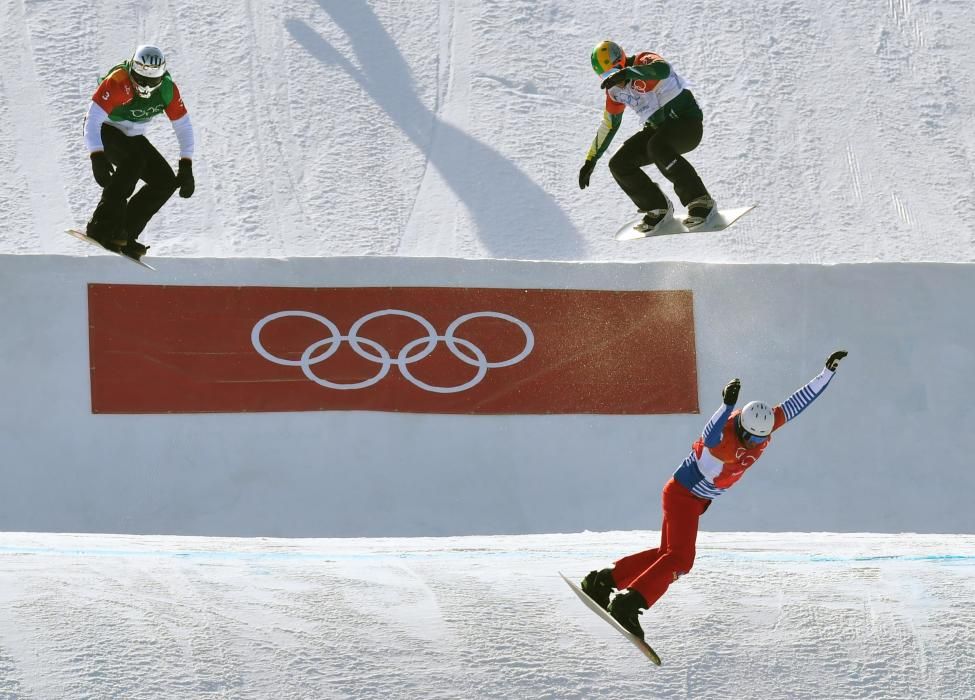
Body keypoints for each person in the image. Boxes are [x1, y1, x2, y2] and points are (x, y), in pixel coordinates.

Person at [580, 350, 849, 640]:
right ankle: (629, 603)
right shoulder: (724, 437)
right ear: (740, 426)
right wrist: (726, 405)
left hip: (690, 500)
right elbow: (709, 433)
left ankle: (603, 581)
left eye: (761, 438)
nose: (754, 443)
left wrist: (827, 373)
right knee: (681, 560)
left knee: (665, 556)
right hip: (684, 496)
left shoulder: (763, 425)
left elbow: (796, 404)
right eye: (751, 437)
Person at [578, 40, 714, 233]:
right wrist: (591, 159)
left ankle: (701, 200)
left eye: (615, 71)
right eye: (607, 75)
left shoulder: (642, 61)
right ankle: (657, 208)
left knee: (656, 146)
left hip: (687, 124)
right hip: (659, 130)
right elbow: (609, 125)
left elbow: (662, 70)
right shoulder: (614, 91)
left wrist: (628, 73)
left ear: (622, 60)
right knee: (619, 163)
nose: (614, 78)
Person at [83, 45, 195, 258]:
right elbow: (92, 120)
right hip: (105, 129)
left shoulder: (167, 89)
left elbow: (183, 126)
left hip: (131, 136)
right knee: (133, 162)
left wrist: (186, 164)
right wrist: (96, 155)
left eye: (151, 81)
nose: (143, 85)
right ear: (132, 71)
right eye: (139, 78)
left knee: (165, 181)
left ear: (161, 78)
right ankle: (101, 225)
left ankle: (123, 233)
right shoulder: (118, 81)